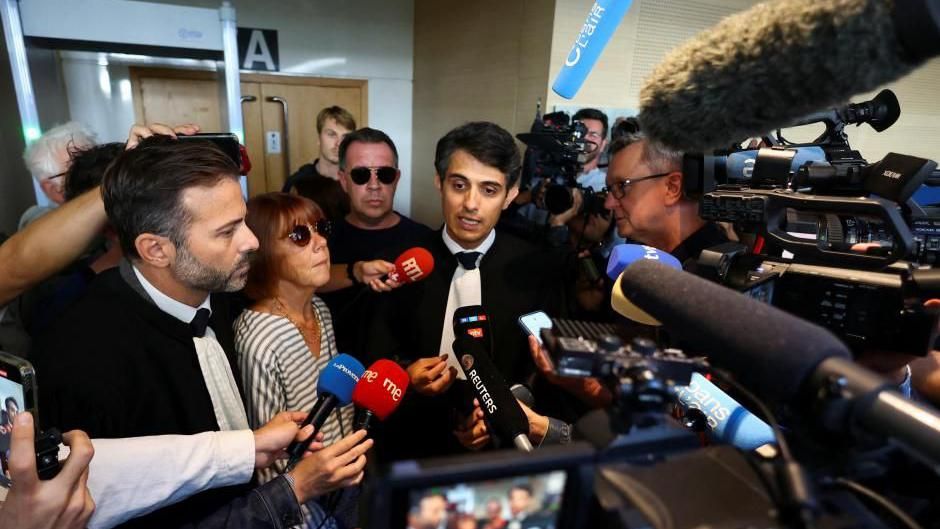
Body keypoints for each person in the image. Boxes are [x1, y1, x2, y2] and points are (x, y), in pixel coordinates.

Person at [31, 135, 371, 527]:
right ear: (156, 249)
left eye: (243, 219)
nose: (252, 240)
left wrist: (255, 446)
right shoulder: (80, 358)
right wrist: (289, 491)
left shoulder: (225, 290)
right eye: (226, 232)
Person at [364, 122, 567, 461]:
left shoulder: (536, 269)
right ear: (439, 182)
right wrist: (407, 377)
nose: (471, 204)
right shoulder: (400, 261)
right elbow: (372, 357)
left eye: (489, 190)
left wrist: (502, 414)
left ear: (511, 194)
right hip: (410, 448)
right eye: (459, 185)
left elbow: (545, 371)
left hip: (502, 454)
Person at [236, 192, 362, 526]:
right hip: (304, 506)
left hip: (345, 482)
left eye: (320, 228)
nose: (320, 242)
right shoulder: (259, 337)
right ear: (263, 252)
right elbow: (267, 459)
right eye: (299, 236)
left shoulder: (320, 308)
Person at [317, 127, 432, 352]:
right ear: (343, 180)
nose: (374, 185)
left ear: (396, 179)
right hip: (338, 372)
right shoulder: (321, 241)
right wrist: (355, 272)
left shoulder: (425, 240)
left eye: (385, 174)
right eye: (361, 175)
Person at [603, 132, 728, 269]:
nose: (608, 204)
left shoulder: (720, 274)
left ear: (672, 187)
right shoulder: (631, 258)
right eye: (610, 189)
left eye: (621, 186)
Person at [282, 106, 357, 221]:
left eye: (345, 137)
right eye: (331, 134)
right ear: (318, 138)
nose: (339, 143)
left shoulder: (358, 180)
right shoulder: (299, 182)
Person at [18, 122, 97, 229]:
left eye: (98, 160)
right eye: (81, 169)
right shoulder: (37, 220)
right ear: (53, 189)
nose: (97, 171)